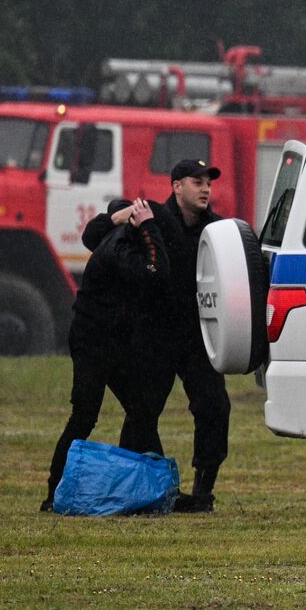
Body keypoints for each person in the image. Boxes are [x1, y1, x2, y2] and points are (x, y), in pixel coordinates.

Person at [120, 158, 231, 513]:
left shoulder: (218, 231)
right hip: (156, 332)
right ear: (176, 186)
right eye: (196, 182)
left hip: (199, 334)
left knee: (214, 406)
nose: (205, 189)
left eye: (208, 183)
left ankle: (203, 491)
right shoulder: (152, 222)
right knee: (142, 410)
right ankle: (138, 488)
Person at [44, 198, 168, 511]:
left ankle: (150, 484)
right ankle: (54, 491)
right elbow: (155, 272)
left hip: (114, 340)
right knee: (85, 415)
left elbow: (91, 233)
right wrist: (148, 226)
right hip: (94, 342)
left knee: (141, 410)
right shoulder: (118, 246)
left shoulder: (110, 237)